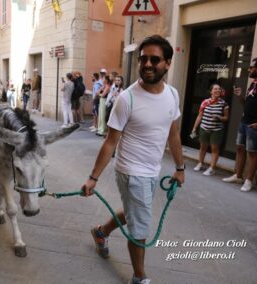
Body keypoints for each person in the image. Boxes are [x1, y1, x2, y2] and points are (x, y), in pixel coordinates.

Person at [81, 35, 185, 284]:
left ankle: (101, 232)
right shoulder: (127, 99)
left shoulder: (172, 94)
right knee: (140, 227)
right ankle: (140, 277)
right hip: (131, 170)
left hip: (152, 170)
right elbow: (110, 141)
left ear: (168, 63)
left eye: (155, 59)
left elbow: (173, 133)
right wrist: (93, 178)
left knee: (134, 212)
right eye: (143, 59)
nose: (148, 64)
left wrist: (180, 167)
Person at [222, 57, 257, 192]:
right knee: (240, 148)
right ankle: (238, 176)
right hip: (244, 122)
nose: (249, 69)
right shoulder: (253, 84)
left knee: (252, 153)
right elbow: (247, 104)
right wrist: (240, 96)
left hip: (253, 125)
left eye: (252, 67)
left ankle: (249, 181)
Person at [192, 83, 229, 176]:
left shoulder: (224, 104)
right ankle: (200, 163)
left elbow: (226, 118)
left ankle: (212, 168)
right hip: (204, 128)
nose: (217, 90)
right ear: (211, 91)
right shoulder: (205, 102)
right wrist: (194, 128)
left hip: (216, 130)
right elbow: (200, 116)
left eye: (219, 89)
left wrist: (219, 117)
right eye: (215, 89)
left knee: (214, 149)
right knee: (203, 147)